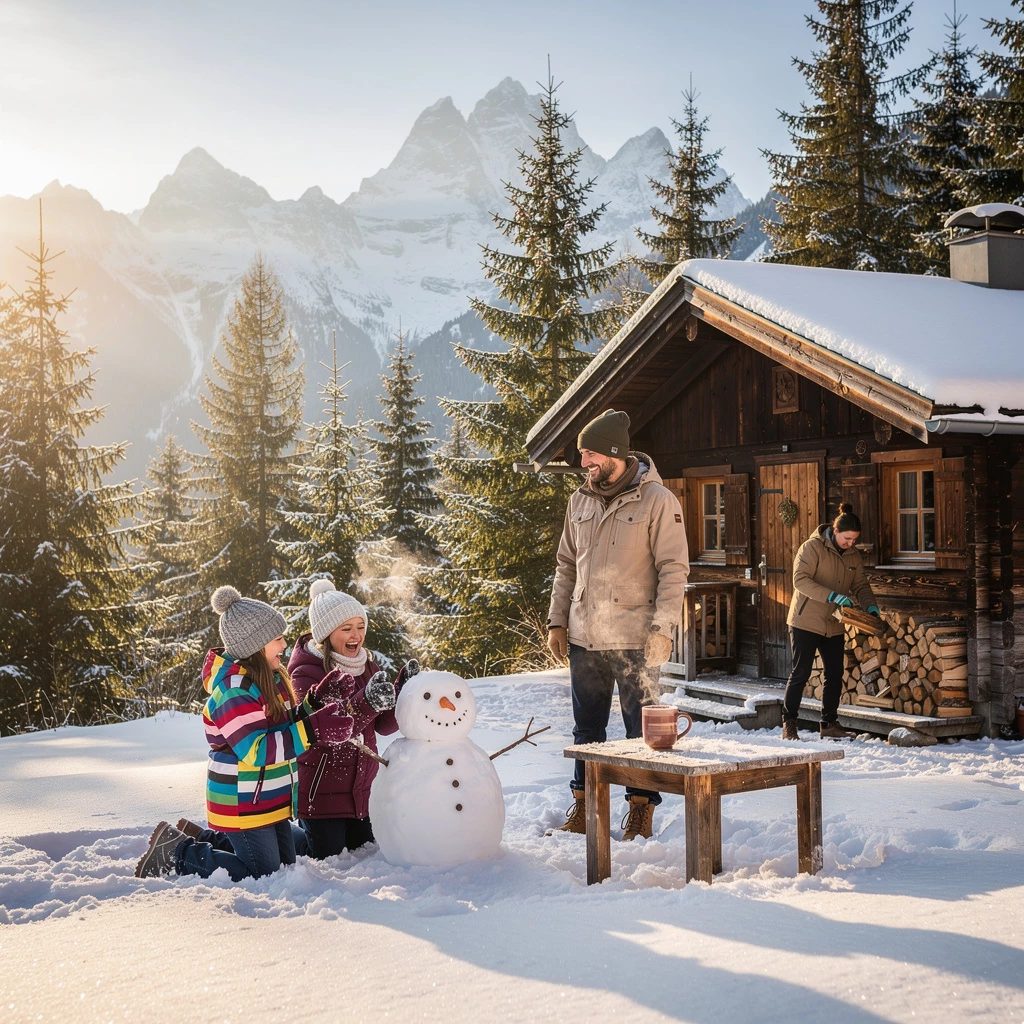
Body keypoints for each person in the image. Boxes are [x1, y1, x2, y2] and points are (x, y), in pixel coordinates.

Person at [134, 586, 355, 880]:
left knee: (285, 868)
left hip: (267, 796)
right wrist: (314, 730)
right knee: (262, 874)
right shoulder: (233, 691)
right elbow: (257, 751)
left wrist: (313, 704)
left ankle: (206, 839)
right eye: (278, 639)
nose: (285, 645)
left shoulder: (270, 679)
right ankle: (179, 853)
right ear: (256, 645)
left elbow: (282, 727)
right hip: (242, 800)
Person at [546, 409, 689, 841]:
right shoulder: (579, 501)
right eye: (582, 457)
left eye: (590, 455)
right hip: (585, 636)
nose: (584, 464)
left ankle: (640, 810)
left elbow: (673, 569)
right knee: (587, 729)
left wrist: (663, 630)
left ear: (614, 453)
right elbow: (566, 565)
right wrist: (557, 621)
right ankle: (585, 807)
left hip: (635, 639)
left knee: (638, 730)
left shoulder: (658, 500)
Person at [288, 579, 403, 859]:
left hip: (362, 791)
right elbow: (326, 732)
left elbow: (383, 726)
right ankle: (277, 831)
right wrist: (367, 701)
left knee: (364, 851)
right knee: (325, 855)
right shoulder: (304, 673)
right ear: (326, 634)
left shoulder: (367, 665)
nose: (357, 635)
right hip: (321, 794)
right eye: (347, 628)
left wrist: (401, 692)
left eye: (361, 627)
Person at [782, 503, 880, 741]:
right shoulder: (812, 548)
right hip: (806, 620)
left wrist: (870, 606)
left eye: (854, 540)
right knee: (801, 672)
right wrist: (832, 595)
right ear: (835, 532)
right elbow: (800, 580)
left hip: (834, 622)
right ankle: (789, 724)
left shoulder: (853, 556)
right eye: (847, 539)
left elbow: (860, 585)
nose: (851, 544)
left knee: (835, 673)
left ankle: (829, 723)